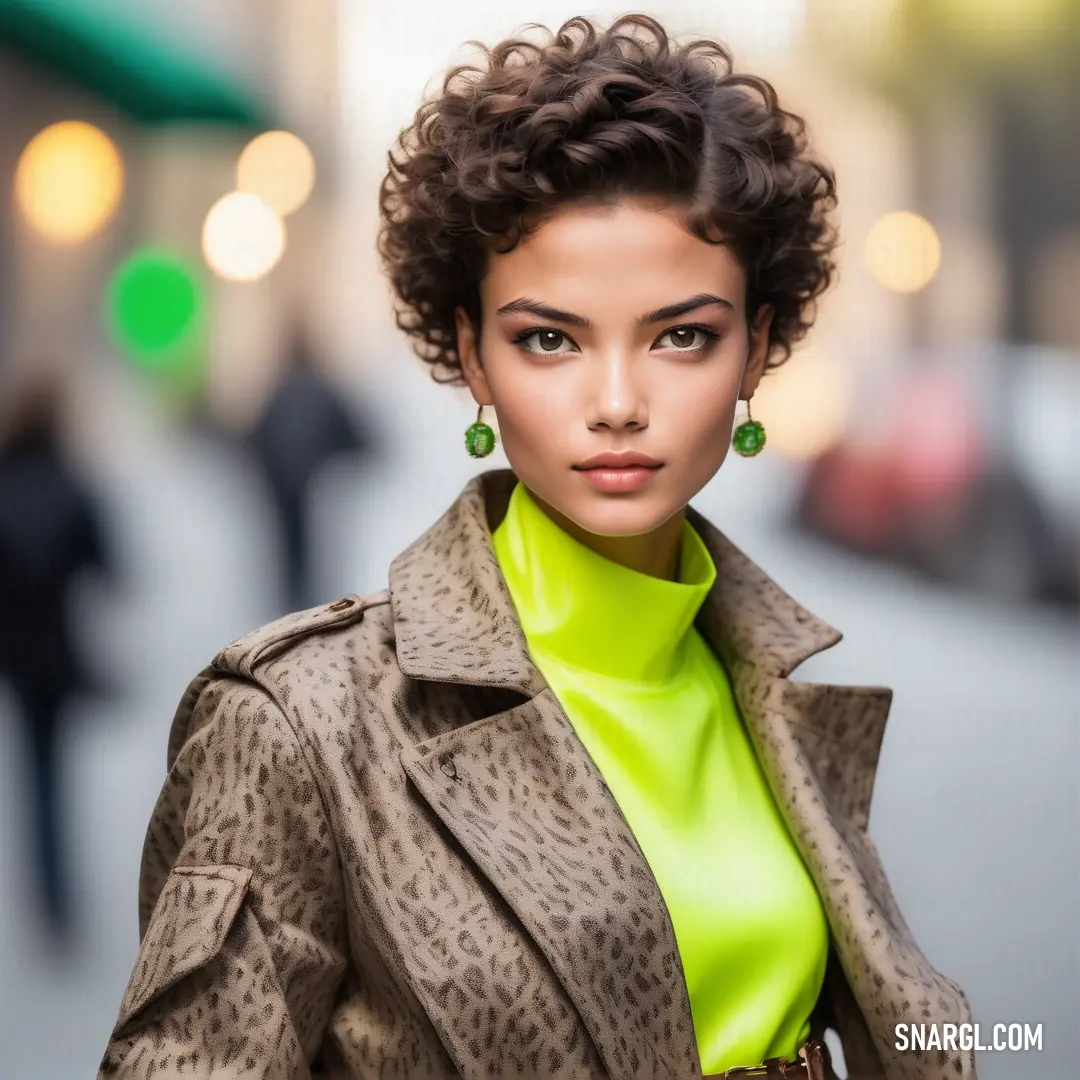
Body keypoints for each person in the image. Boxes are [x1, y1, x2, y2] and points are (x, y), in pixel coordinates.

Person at [98, 15, 976, 1080]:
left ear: (756, 347)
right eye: (548, 339)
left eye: (682, 335)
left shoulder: (778, 697)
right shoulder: (301, 728)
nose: (617, 403)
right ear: (472, 354)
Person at [0, 370, 110, 947]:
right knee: (53, 770)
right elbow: (108, 565)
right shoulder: (72, 485)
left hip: (16, 657)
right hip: (60, 654)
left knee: (33, 769)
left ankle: (44, 898)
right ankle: (59, 899)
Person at [246, 322, 376, 613]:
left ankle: (294, 610)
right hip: (305, 498)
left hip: (288, 498)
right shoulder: (322, 392)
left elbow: (252, 442)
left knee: (292, 562)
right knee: (317, 561)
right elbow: (361, 440)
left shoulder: (279, 395)